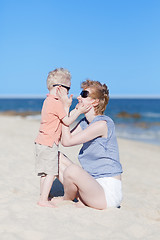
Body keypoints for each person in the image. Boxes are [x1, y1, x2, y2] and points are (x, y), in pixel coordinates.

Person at [54, 79, 123, 210]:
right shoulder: (85, 122)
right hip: (91, 183)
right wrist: (70, 113)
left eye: (84, 94)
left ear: (95, 102)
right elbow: (64, 140)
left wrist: (67, 109)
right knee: (54, 156)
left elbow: (68, 141)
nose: (79, 97)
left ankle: (66, 199)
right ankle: (81, 198)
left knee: (73, 170)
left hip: (107, 193)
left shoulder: (102, 124)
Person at [35, 68, 90, 208]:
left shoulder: (48, 100)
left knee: (44, 172)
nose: (69, 92)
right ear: (60, 88)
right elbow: (67, 121)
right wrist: (78, 111)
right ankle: (43, 200)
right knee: (51, 173)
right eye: (68, 88)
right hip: (49, 143)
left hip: (42, 142)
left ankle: (44, 195)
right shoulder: (55, 102)